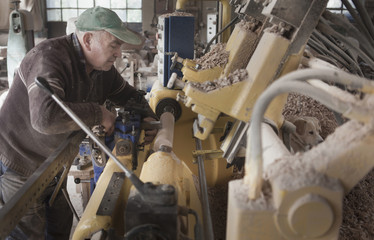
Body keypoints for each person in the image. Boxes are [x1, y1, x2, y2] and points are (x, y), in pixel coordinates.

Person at [0, 6, 158, 240]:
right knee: (28, 233)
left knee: (60, 227)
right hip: (21, 161)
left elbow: (129, 95)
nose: (118, 53)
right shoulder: (48, 58)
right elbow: (45, 118)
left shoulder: (102, 69)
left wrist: (148, 117)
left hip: (56, 162)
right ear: (88, 39)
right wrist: (99, 113)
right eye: (114, 44)